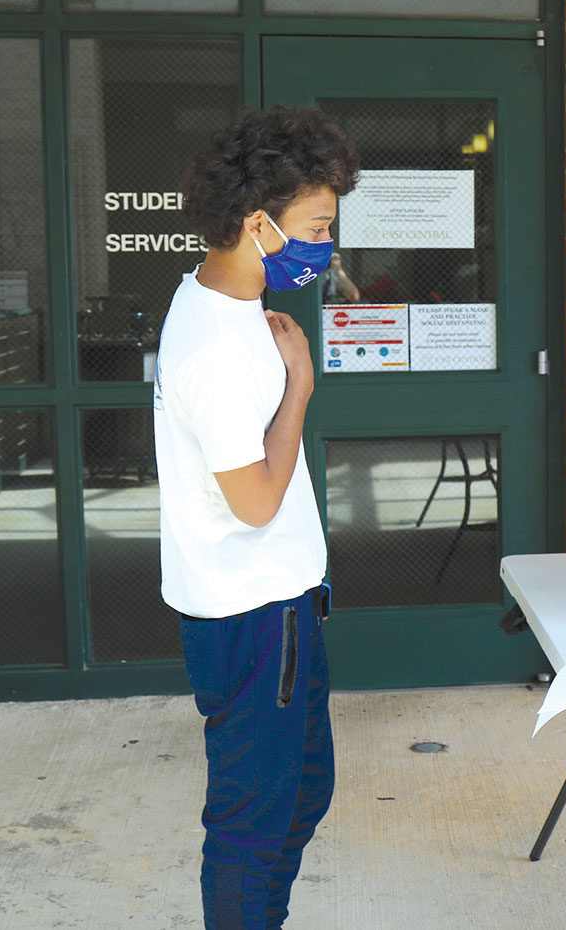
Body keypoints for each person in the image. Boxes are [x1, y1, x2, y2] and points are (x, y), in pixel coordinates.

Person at [153, 104, 359, 930]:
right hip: (249, 617)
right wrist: (301, 389)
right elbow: (255, 501)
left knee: (302, 797)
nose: (326, 244)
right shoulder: (213, 347)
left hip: (281, 603)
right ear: (256, 222)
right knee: (252, 826)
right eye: (316, 225)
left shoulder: (231, 310)